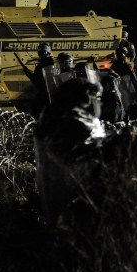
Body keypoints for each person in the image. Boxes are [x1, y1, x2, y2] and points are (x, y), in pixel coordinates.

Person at [34, 79, 107, 224]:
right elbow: (88, 152)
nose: (98, 103)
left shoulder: (54, 115)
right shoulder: (72, 121)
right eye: (95, 97)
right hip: (75, 190)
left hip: (55, 187)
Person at [17, 42, 56, 116]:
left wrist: (27, 72)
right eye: (41, 52)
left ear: (48, 52)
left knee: (36, 111)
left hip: (45, 92)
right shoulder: (50, 63)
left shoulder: (45, 64)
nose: (42, 54)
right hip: (46, 91)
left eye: (44, 52)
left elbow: (35, 79)